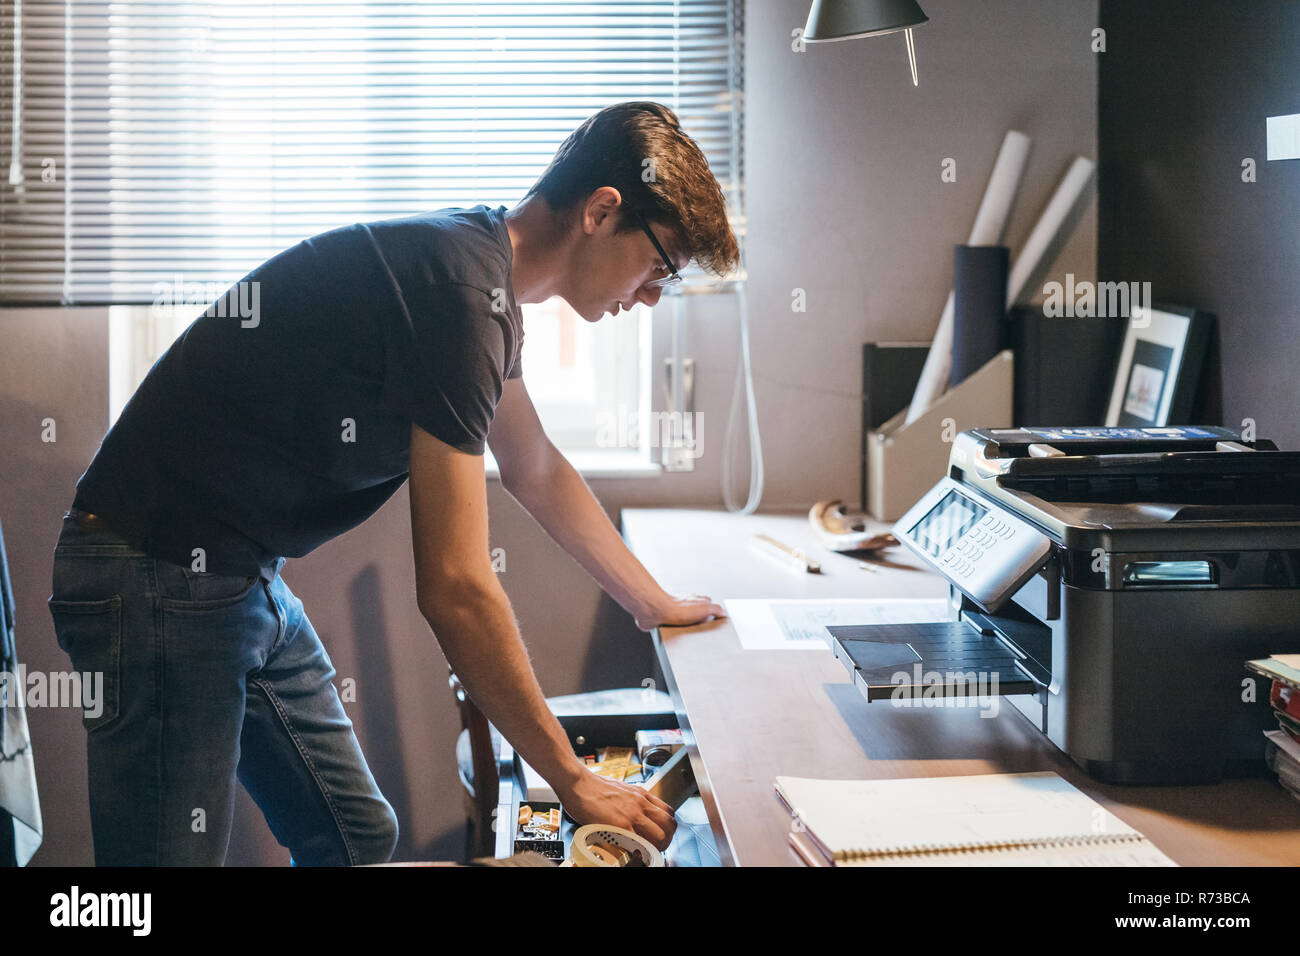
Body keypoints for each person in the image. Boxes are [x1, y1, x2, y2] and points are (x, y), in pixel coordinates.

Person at [47, 101, 740, 866]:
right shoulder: (461, 296)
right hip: (153, 569)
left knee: (354, 838)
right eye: (662, 268)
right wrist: (570, 779)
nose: (650, 296)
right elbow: (454, 586)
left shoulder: (482, 282)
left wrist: (654, 604)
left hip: (235, 575)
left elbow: (535, 467)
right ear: (603, 212)